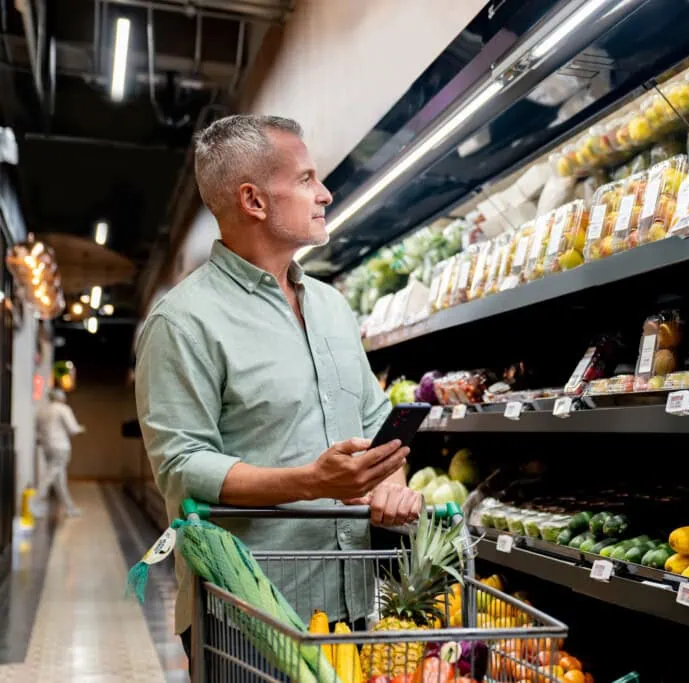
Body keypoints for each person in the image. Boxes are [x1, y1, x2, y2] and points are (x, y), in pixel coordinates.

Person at [134, 115, 421, 665]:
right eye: (307, 178)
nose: (325, 193)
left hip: (352, 600)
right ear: (254, 201)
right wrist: (311, 482)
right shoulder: (183, 321)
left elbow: (375, 417)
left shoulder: (332, 305)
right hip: (247, 614)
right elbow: (183, 464)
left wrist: (391, 484)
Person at [35, 388, 84, 517]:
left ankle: (69, 508)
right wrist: (80, 428)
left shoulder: (42, 410)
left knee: (59, 478)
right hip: (60, 446)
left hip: (47, 446)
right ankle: (34, 502)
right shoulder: (63, 409)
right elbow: (72, 429)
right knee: (50, 475)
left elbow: (38, 432)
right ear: (61, 398)